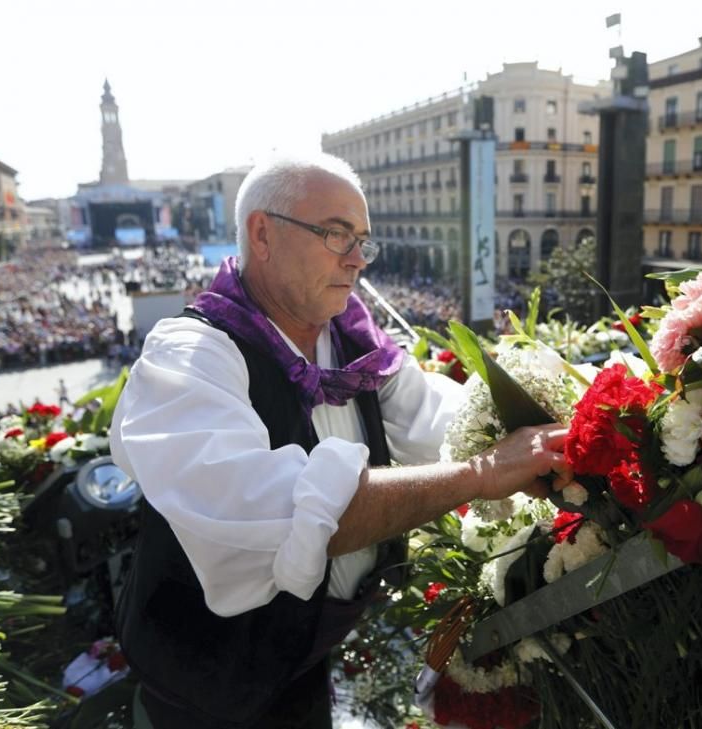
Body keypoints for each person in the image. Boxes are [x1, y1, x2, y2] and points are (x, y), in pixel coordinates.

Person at [109, 155, 571, 729]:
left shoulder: (357, 347)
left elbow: (444, 419)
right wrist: (480, 474)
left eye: (363, 241)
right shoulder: (191, 355)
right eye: (336, 235)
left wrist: (580, 418)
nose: (356, 260)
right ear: (263, 233)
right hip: (204, 689)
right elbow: (282, 511)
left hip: (303, 664)